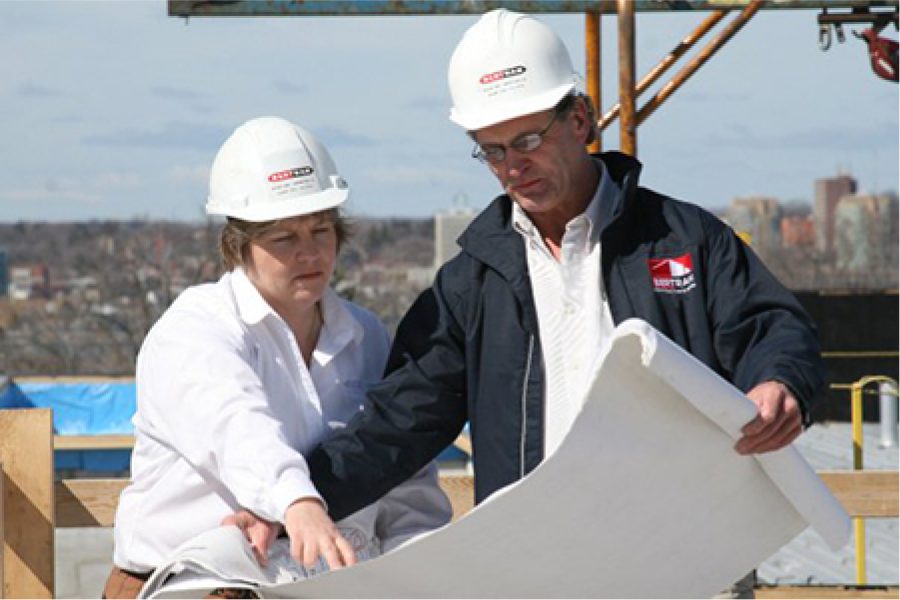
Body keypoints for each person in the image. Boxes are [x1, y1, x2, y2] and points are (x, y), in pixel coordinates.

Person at [237, 9, 824, 598]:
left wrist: (781, 381)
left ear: (581, 119)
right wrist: (292, 500)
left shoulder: (682, 241)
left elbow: (771, 327)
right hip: (542, 571)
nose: (513, 167)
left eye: (528, 140)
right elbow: (395, 424)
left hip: (687, 561)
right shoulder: (472, 283)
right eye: (490, 151)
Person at [103, 116, 451, 599]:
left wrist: (424, 566)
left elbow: (403, 474)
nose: (309, 252)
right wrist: (297, 501)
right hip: (198, 582)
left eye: (321, 231)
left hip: (337, 581)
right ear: (239, 244)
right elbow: (235, 425)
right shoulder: (196, 330)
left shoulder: (366, 336)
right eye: (284, 238)